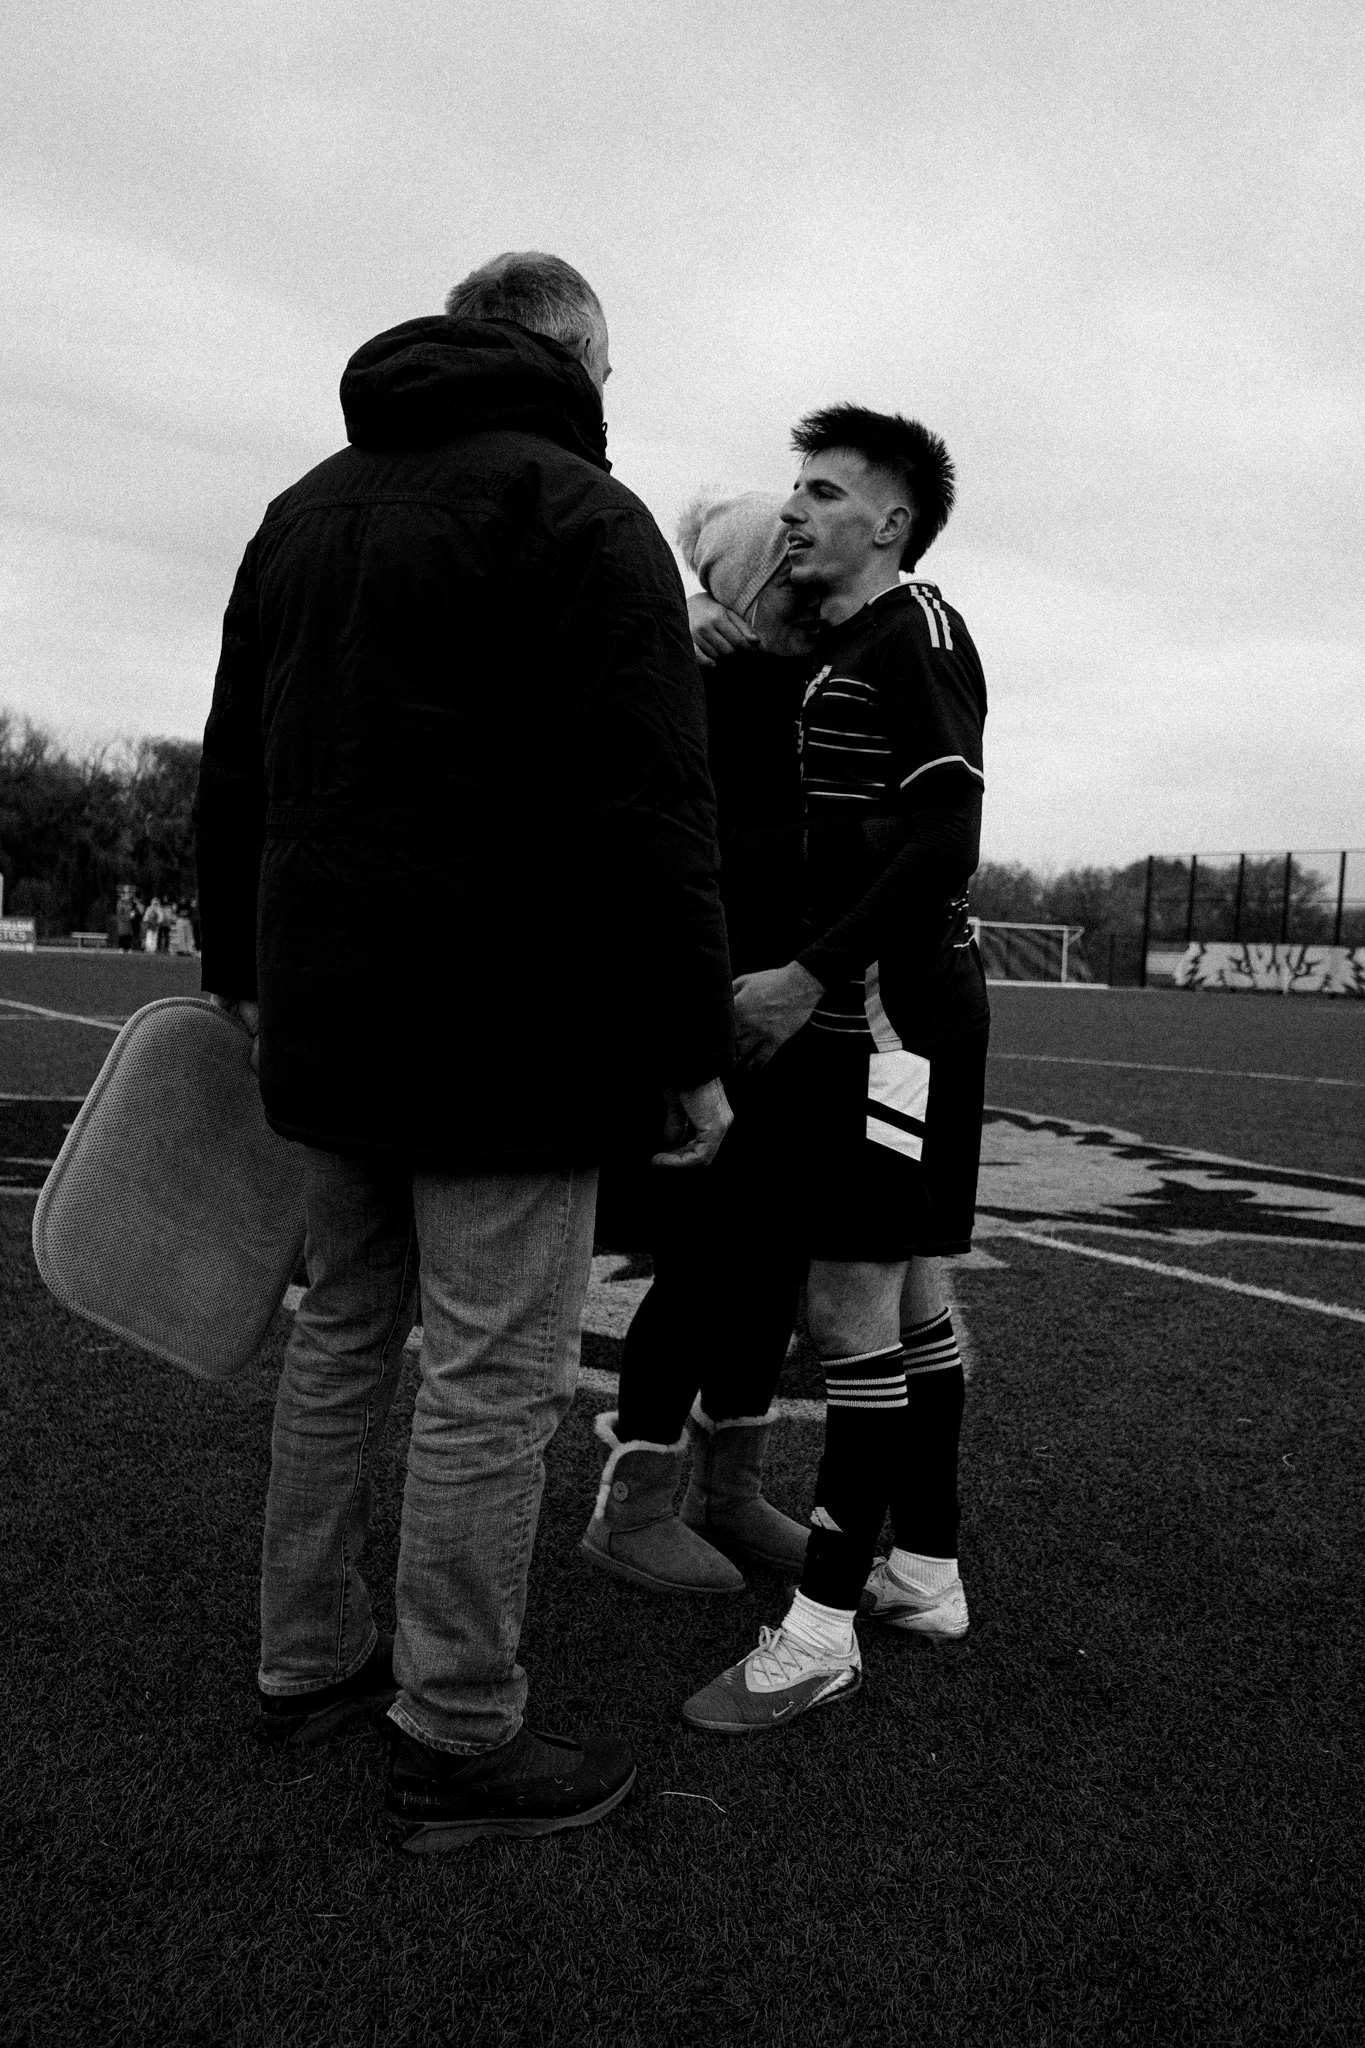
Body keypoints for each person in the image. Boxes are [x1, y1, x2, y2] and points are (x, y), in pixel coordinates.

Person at [194, 251, 735, 1848]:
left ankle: (308, 1663)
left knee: (346, 1337)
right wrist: (689, 1038)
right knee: (492, 1384)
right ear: (572, 357)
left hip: (334, 1017)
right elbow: (652, 801)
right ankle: (454, 1730)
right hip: (515, 1029)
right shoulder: (579, 512)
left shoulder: (305, 506)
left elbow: (238, 761)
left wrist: (241, 963)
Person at [679, 404, 990, 1736]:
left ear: (890, 523)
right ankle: (921, 1565)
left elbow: (945, 839)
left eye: (818, 489)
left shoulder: (916, 634)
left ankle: (819, 1633)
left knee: (849, 1310)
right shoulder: (846, 644)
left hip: (885, 1023)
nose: (790, 508)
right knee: (908, 1295)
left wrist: (808, 975)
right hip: (864, 1017)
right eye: (789, 487)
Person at [582, 494, 819, 1594]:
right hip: (705, 1007)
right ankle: (632, 1506)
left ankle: (731, 1487)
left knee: (774, 1260)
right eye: (789, 575)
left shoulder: (822, 672)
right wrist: (683, 622)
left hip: (803, 1011)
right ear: (745, 588)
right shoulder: (689, 676)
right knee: (707, 1257)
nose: (812, 592)